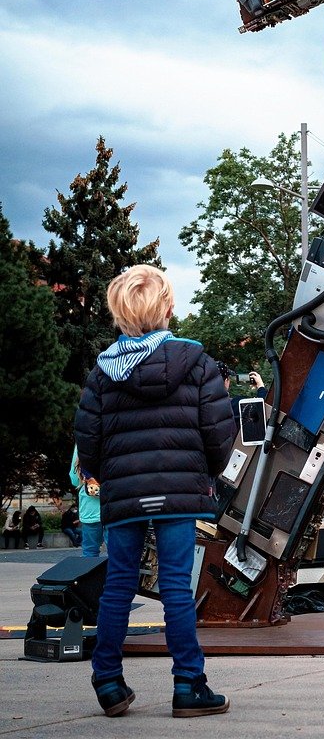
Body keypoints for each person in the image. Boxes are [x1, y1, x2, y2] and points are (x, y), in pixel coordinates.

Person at [75, 263, 235, 719]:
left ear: (120, 313)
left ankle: (108, 682)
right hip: (179, 491)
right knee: (176, 588)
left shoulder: (102, 373)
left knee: (118, 585)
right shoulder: (197, 363)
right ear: (167, 309)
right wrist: (204, 474)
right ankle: (188, 685)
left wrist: (104, 475)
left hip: (125, 493)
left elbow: (88, 439)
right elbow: (219, 432)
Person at [70, 444, 106, 556]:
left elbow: (74, 479)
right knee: (117, 555)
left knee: (90, 552)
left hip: (91, 508)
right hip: (115, 506)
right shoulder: (116, 437)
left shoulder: (83, 441)